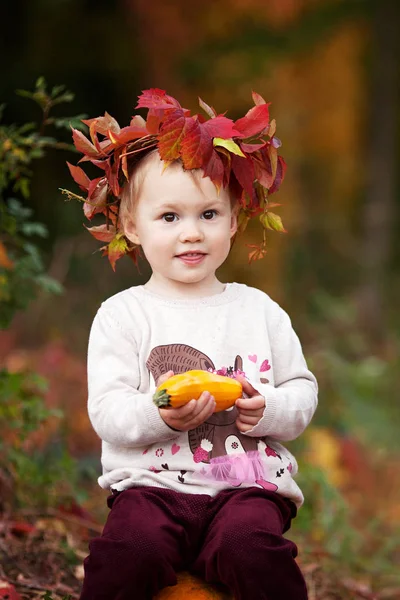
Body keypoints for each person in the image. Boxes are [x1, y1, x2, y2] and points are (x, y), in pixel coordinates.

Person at [67, 89, 318, 600]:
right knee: (127, 554)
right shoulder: (123, 315)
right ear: (131, 227)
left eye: (208, 215)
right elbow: (109, 411)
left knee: (252, 549)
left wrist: (266, 407)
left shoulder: (259, 310)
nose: (192, 235)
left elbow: (302, 390)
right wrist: (161, 412)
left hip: (248, 489)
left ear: (233, 220)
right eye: (169, 218)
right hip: (150, 489)